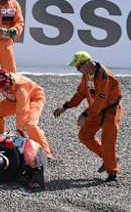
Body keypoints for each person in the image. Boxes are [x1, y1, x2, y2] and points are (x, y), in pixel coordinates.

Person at [53, 51, 123, 182]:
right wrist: (65, 106)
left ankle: (112, 173)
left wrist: (86, 114)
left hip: (110, 111)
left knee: (108, 141)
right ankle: (109, 158)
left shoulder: (104, 76)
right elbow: (81, 93)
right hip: (95, 110)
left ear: (87, 63)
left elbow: (101, 101)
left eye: (78, 67)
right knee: (84, 136)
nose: (77, 69)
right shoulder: (87, 75)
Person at [0, 69, 53, 160]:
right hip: (13, 100)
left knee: (29, 125)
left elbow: (22, 111)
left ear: (11, 81)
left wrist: (19, 132)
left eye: (7, 86)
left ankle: (46, 153)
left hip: (34, 98)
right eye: (2, 87)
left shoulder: (21, 88)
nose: (5, 89)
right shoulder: (0, 82)